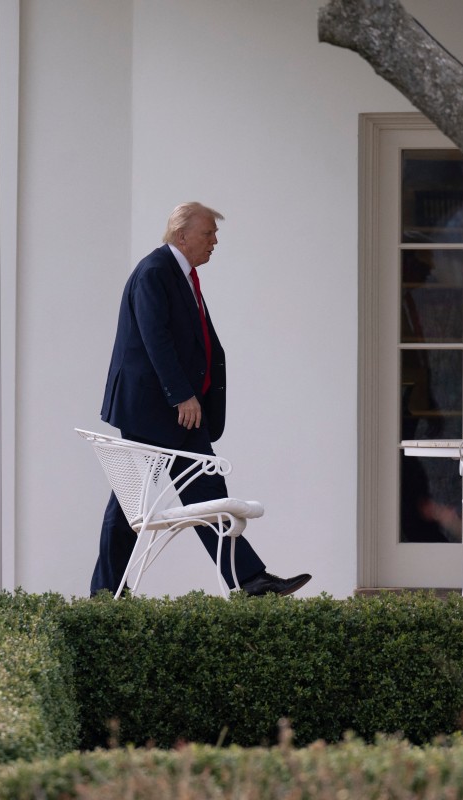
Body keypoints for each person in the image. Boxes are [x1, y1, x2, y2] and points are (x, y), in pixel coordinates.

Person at [91, 202, 311, 597]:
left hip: (172, 413)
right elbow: (155, 339)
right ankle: (107, 593)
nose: (215, 241)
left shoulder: (179, 274)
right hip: (155, 410)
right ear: (182, 235)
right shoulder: (156, 272)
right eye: (208, 233)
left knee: (202, 492)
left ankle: (248, 581)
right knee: (133, 505)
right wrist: (183, 397)